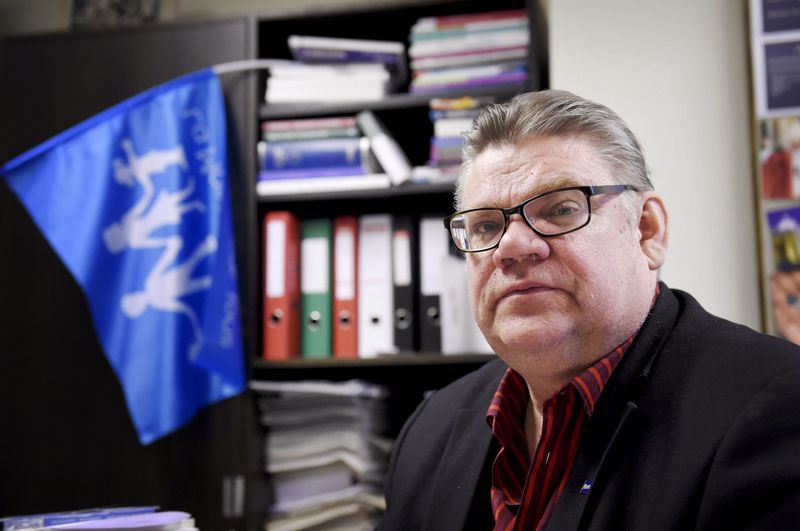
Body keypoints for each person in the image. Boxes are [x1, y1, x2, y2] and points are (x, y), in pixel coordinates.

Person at [380, 90, 800, 530]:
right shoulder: (431, 428)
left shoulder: (774, 410)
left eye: (560, 210)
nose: (511, 247)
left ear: (646, 231)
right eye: (486, 225)